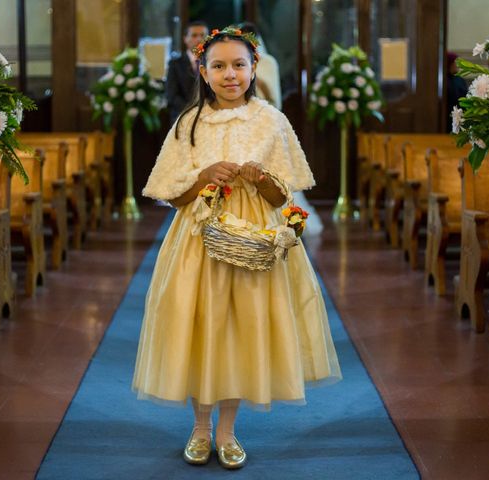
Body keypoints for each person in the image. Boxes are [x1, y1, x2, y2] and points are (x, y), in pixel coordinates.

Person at [133, 27, 342, 470]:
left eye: (239, 65)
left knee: (239, 329)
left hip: (253, 241)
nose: (231, 74)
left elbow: (282, 196)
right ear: (203, 72)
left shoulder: (271, 121)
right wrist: (204, 174)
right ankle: (199, 428)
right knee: (201, 326)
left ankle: (227, 431)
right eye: (220, 66)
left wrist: (262, 179)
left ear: (254, 68)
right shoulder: (189, 124)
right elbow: (172, 194)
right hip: (197, 242)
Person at [239, 21, 323, 237]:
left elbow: (275, 98)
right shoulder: (236, 64)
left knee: (269, 173)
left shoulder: (269, 63)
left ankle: (281, 216)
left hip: (263, 122)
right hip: (240, 122)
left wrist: (255, 80)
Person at [165, 21, 208, 124]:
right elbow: (172, 96)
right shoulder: (175, 63)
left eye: (203, 35)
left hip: (209, 115)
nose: (199, 39)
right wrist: (193, 110)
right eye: (194, 35)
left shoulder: (214, 63)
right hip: (182, 115)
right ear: (185, 39)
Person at [446, 52, 468, 132]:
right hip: (448, 117)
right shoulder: (444, 81)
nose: (456, 65)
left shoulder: (459, 79)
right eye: (454, 62)